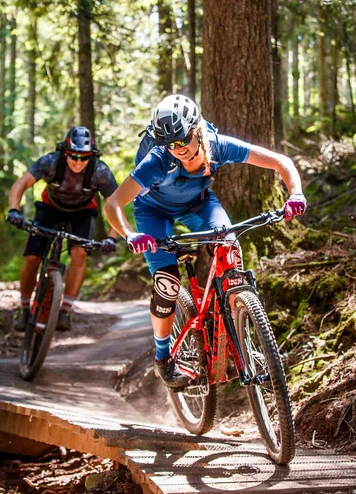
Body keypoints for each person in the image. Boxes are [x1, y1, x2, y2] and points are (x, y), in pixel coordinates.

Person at [104, 95, 306, 388]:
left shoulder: (218, 145)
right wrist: (130, 234)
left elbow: (280, 162)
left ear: (196, 129)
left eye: (183, 139)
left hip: (198, 204)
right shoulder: (158, 161)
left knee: (229, 248)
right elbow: (113, 204)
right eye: (171, 144)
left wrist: (296, 193)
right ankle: (163, 358)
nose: (179, 149)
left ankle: (238, 314)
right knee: (167, 282)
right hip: (153, 211)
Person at [7, 126, 120, 332]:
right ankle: (23, 308)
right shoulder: (50, 162)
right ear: (64, 152)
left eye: (84, 158)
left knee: (79, 253)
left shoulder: (100, 171)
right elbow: (21, 184)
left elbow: (115, 204)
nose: (78, 162)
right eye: (73, 156)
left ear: (91, 156)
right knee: (32, 257)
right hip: (50, 208)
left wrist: (112, 237)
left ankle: (65, 311)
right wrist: (14, 210)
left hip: (82, 213)